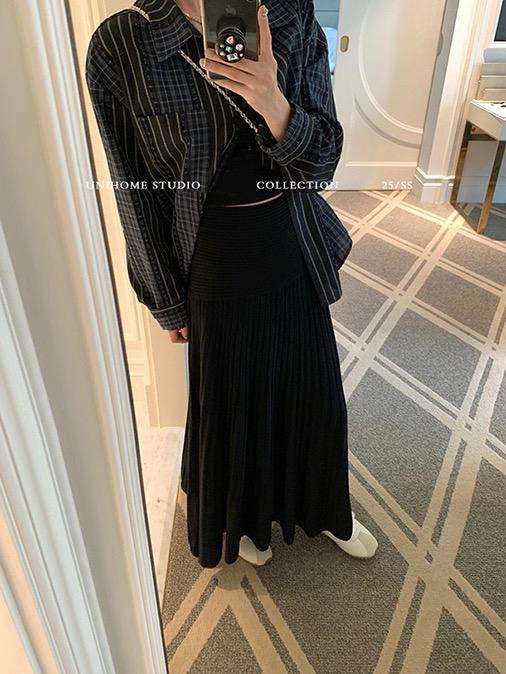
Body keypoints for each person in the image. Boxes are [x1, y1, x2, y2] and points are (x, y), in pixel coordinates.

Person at [86, 0, 378, 568]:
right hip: (212, 256)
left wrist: (272, 100)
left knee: (313, 390)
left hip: (291, 238)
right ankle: (242, 519)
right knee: (232, 401)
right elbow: (135, 191)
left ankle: (323, 508)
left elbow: (322, 164)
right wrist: (166, 300)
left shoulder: (289, 14)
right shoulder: (122, 45)